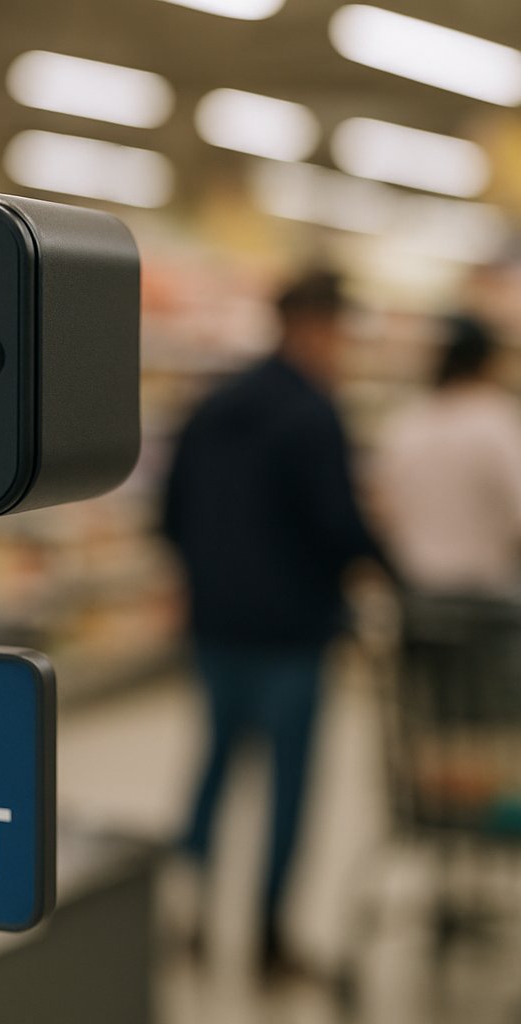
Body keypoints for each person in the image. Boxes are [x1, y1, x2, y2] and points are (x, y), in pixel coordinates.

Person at [162, 270, 385, 976]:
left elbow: (167, 514)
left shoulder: (214, 402)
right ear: (317, 325)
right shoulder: (314, 413)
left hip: (217, 623)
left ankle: (190, 911)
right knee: (288, 784)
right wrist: (386, 563)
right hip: (292, 629)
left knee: (216, 763)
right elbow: (337, 524)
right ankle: (268, 937)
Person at [377, 316, 521, 596]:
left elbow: (384, 508)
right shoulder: (497, 420)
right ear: (487, 361)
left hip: (415, 586)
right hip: (483, 590)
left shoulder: (408, 422)